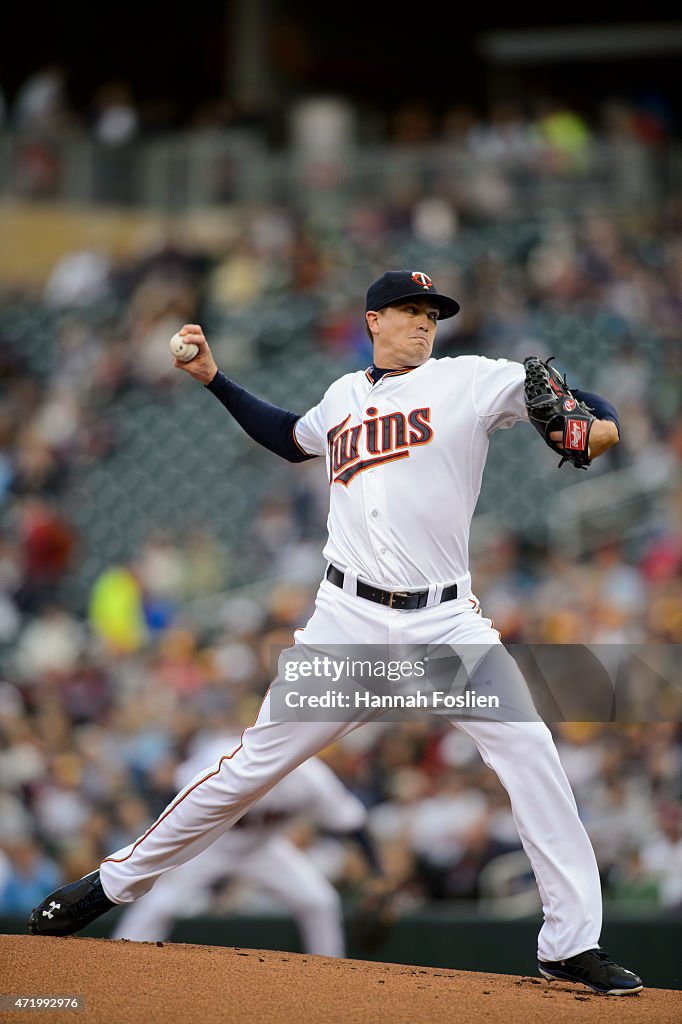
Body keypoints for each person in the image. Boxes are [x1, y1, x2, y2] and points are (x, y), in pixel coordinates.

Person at [30, 270, 643, 996]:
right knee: (248, 770)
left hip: (445, 622)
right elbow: (290, 438)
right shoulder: (342, 398)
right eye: (410, 311)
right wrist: (215, 380)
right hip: (346, 623)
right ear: (373, 320)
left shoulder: (468, 380)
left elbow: (569, 401)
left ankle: (570, 943)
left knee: (531, 749)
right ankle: (110, 885)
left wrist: (598, 424)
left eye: (432, 314)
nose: (424, 323)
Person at [110, 732, 377, 956]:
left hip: (264, 849)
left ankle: (331, 979)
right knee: (160, 903)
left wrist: (379, 875)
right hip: (209, 846)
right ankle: (120, 963)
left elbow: (351, 823)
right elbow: (179, 793)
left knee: (320, 901)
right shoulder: (225, 754)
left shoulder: (312, 778)